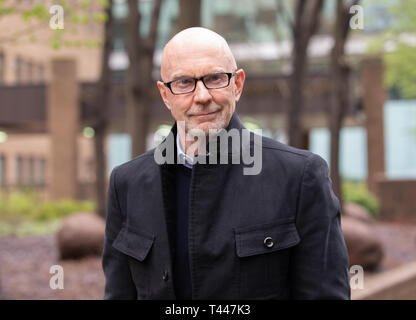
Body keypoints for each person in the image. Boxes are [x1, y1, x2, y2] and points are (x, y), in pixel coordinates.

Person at [102, 27, 350, 300]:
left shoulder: (300, 177)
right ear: (165, 95)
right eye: (184, 82)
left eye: (215, 78)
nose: (202, 96)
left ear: (237, 85)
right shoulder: (126, 184)